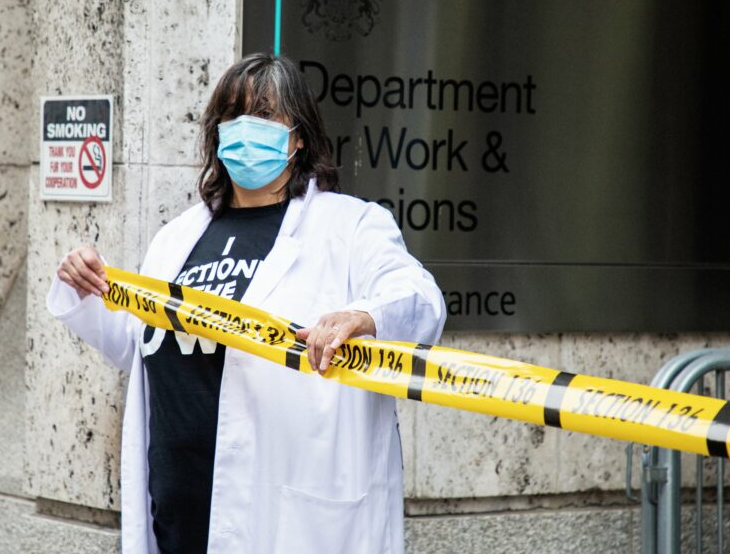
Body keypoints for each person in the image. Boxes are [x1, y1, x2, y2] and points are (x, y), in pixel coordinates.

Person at [48, 52, 446, 554]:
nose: (244, 129)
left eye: (264, 116)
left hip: (285, 517)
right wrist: (88, 287)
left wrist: (364, 316)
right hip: (180, 511)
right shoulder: (178, 238)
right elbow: (139, 346)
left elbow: (419, 298)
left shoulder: (350, 226)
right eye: (231, 117)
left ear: (299, 136)